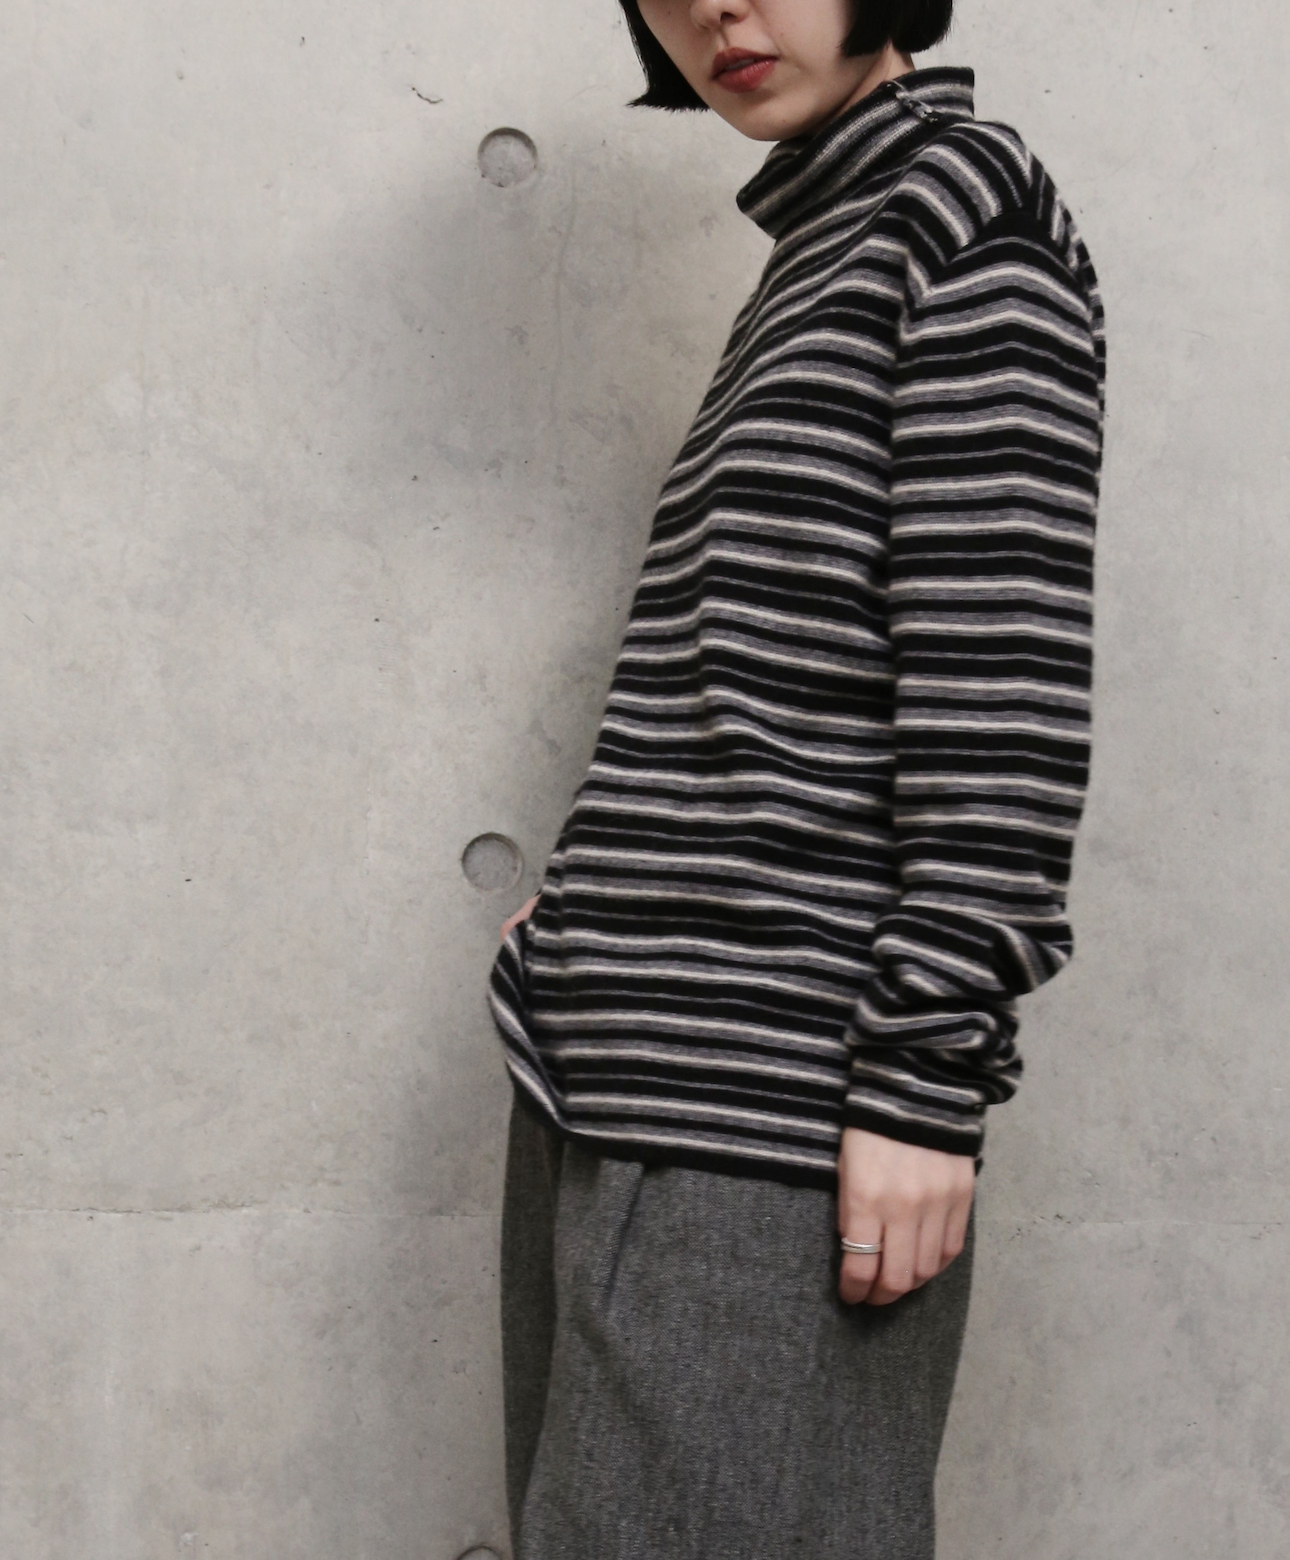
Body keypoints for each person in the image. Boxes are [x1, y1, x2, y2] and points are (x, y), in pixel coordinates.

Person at [487, 1, 1105, 1554]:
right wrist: (593, 910)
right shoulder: (827, 238)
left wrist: (922, 1086)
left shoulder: (961, 222)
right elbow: (761, 671)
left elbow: (1000, 695)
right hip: (630, 1070)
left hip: (773, 1118)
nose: (715, 9)